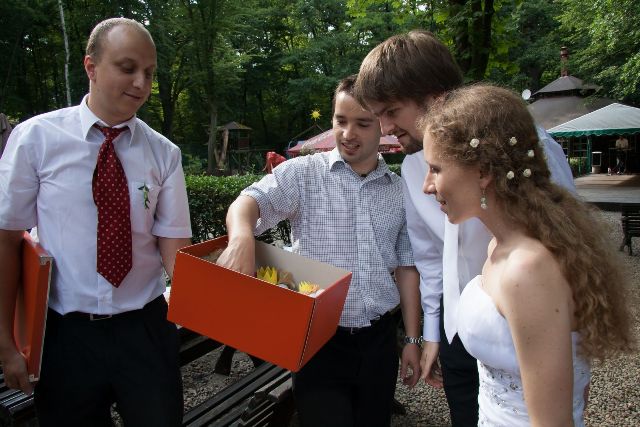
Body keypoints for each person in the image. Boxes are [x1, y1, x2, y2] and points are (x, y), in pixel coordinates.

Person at [354, 30, 575, 426]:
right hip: (459, 327)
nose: (384, 127)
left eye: (391, 110)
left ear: (435, 98)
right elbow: (431, 257)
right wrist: (433, 333)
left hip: (526, 325)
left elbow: (566, 245)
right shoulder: (411, 167)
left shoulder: (528, 150)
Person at [0, 18, 191, 426]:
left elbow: (175, 249)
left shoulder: (164, 153)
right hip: (65, 336)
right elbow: (6, 241)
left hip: (145, 329)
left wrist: (220, 307)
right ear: (91, 66)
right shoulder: (36, 139)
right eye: (128, 68)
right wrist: (6, 344)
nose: (141, 83)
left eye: (149, 73)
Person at [421, 84, 634, 426]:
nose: (427, 185)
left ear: (483, 171)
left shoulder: (528, 269)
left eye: (436, 168)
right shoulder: (500, 246)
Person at [216, 75, 422, 427]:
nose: (348, 133)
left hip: (379, 341)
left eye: (362, 123)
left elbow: (407, 268)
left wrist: (413, 339)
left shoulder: (399, 190)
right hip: (317, 341)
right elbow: (247, 202)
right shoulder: (302, 175)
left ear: (383, 126)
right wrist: (241, 239)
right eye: (341, 121)